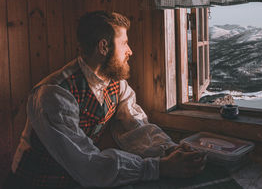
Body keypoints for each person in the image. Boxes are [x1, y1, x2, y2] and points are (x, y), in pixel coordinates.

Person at [5, 11, 206, 189]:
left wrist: (170, 149)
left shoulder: (116, 84)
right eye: (125, 43)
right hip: (36, 183)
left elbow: (136, 126)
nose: (130, 51)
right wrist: (159, 167)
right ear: (103, 47)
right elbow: (87, 164)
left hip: (79, 180)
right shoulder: (53, 95)